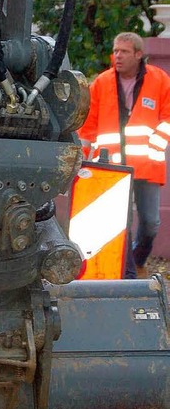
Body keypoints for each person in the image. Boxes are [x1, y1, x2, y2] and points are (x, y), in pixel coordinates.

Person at [78, 32, 170, 279]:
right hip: (112, 168)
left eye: (124, 51)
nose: (117, 56)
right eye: (116, 50)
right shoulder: (101, 83)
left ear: (138, 55)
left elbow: (168, 117)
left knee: (151, 224)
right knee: (122, 225)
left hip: (147, 165)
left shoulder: (160, 80)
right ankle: (128, 275)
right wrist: (82, 161)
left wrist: (156, 146)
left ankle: (138, 260)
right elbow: (89, 127)